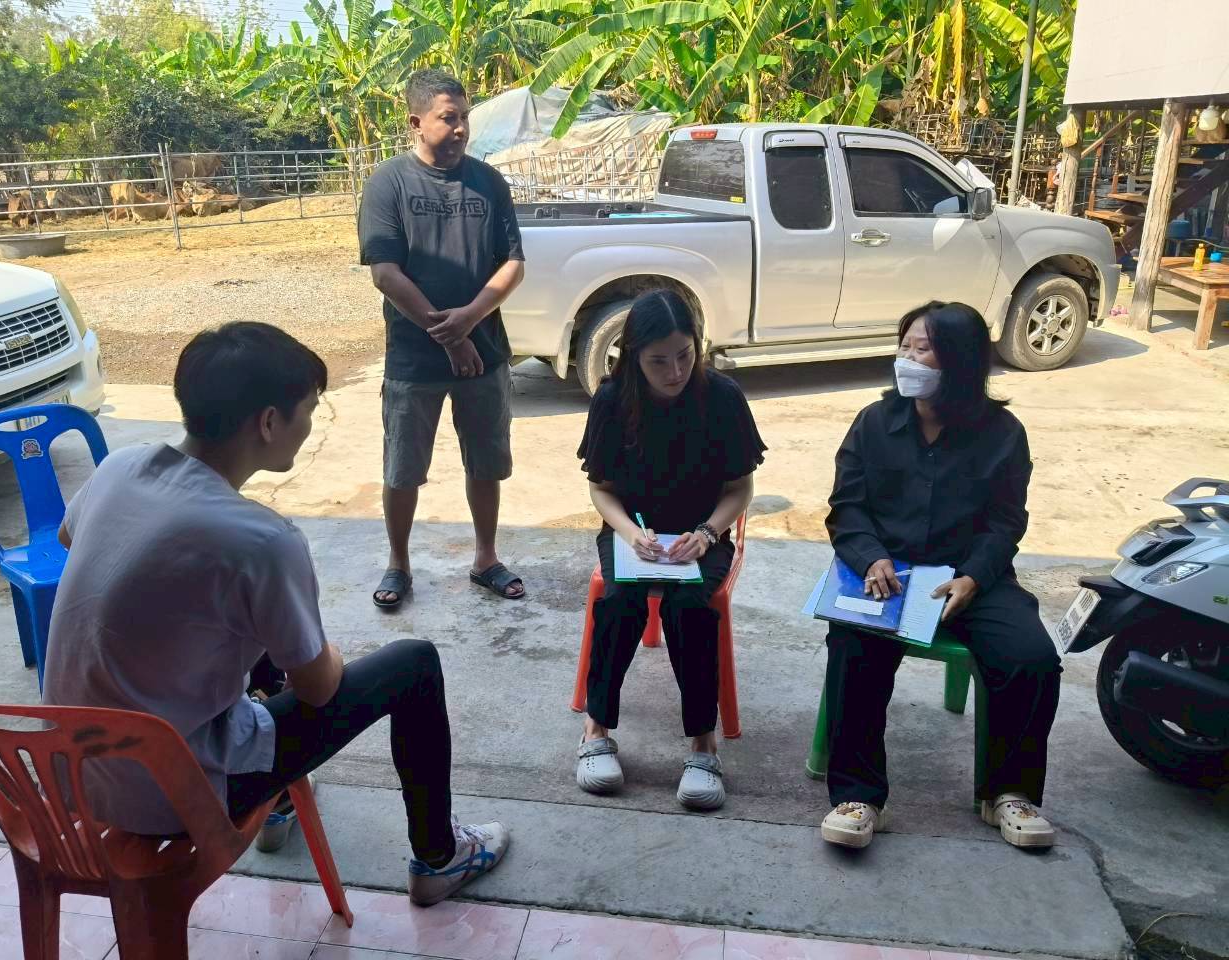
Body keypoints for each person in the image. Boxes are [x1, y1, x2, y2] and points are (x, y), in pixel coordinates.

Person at [42, 322, 509, 907]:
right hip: (174, 794)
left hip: (69, 771)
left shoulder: (120, 467)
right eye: (307, 410)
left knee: (245, 628)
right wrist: (327, 653)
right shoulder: (261, 539)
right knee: (412, 665)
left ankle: (282, 802)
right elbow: (318, 689)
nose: (310, 425)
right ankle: (440, 857)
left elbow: (68, 539)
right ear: (268, 423)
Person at [820, 301, 1061, 851]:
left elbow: (1006, 522)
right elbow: (847, 507)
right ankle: (858, 796)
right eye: (903, 346)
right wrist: (871, 558)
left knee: (1031, 658)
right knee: (853, 645)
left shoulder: (1003, 433)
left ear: (959, 360)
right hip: (890, 574)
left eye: (922, 349)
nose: (906, 359)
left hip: (971, 577)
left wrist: (973, 577)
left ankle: (1009, 793)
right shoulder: (874, 423)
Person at [574, 290, 766, 811]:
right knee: (619, 601)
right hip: (632, 532)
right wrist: (629, 533)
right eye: (658, 360)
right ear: (634, 355)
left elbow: (740, 488)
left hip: (703, 532)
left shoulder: (721, 397)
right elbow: (601, 489)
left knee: (690, 605)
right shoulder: (613, 401)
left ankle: (703, 744)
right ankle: (596, 728)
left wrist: (706, 533)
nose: (676, 371)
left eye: (685, 355)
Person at [358, 67, 526, 609]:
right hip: (413, 358)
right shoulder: (388, 184)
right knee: (403, 468)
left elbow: (513, 265)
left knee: (486, 462)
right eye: (448, 118)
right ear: (416, 122)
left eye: (464, 118)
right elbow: (385, 274)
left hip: (486, 353)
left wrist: (469, 320)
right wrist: (449, 336)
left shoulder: (489, 183)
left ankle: (486, 558)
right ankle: (399, 564)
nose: (460, 129)